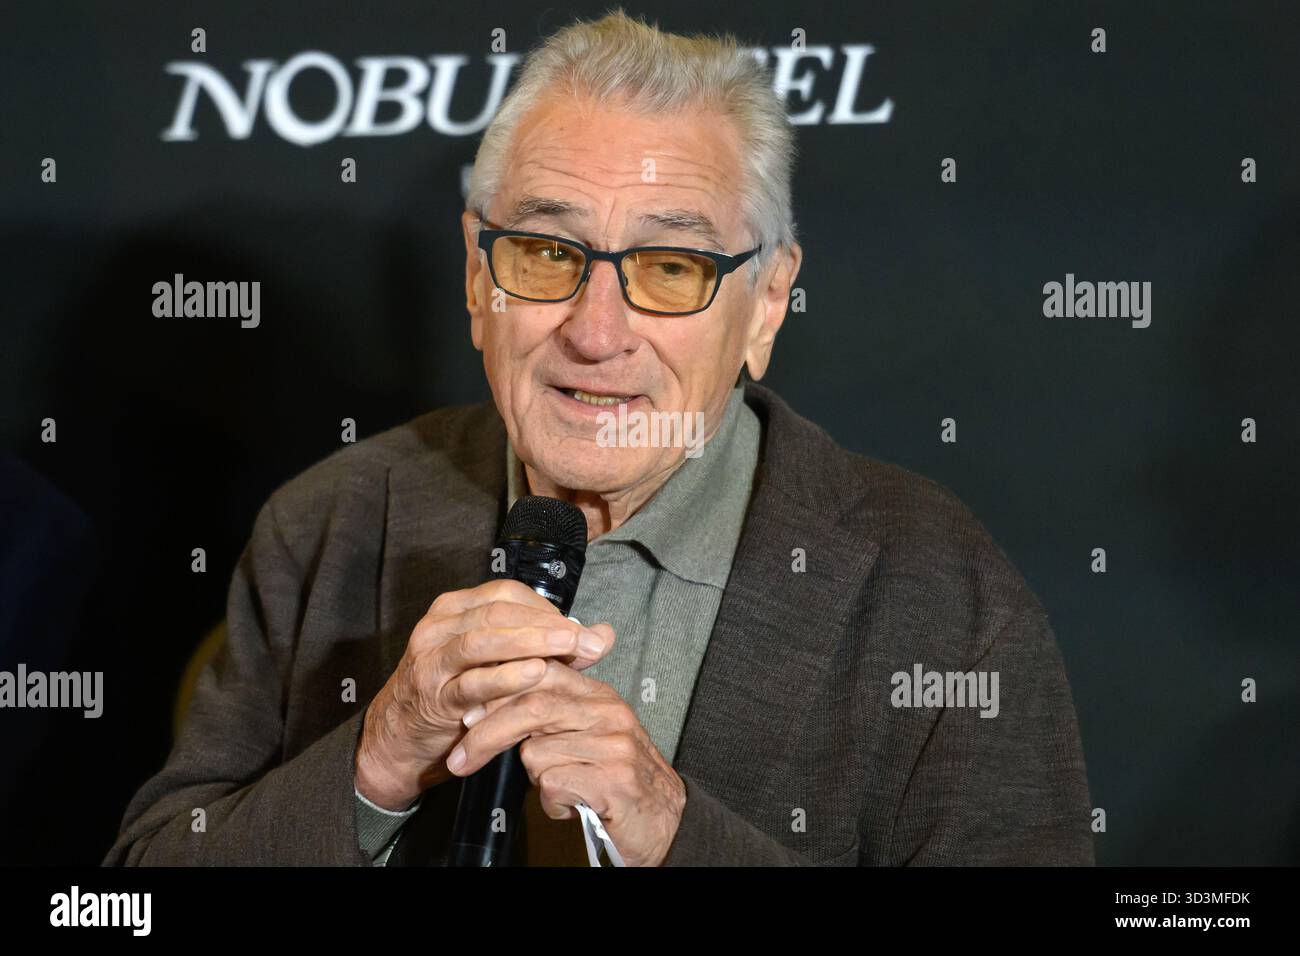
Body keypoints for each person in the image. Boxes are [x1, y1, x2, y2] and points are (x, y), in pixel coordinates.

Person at [105, 9, 1092, 867]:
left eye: (669, 265)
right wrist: (380, 753)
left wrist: (674, 832)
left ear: (767, 302)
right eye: (546, 251)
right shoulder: (328, 522)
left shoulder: (937, 590)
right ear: (473, 272)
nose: (595, 328)